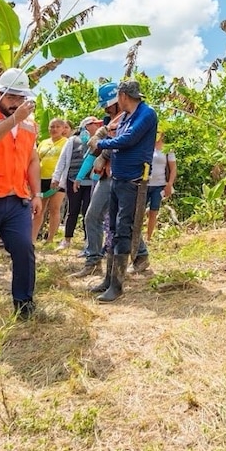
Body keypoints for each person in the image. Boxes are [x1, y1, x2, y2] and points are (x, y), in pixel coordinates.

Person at [89, 79, 157, 303]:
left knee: (124, 229)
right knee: (113, 228)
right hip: (118, 178)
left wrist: (101, 145)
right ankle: (108, 279)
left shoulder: (146, 114)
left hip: (134, 181)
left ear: (124, 96)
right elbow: (117, 137)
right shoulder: (126, 116)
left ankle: (117, 285)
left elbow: (127, 140)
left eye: (118, 96)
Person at [0, 68, 41, 319]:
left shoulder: (30, 127)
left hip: (17, 200)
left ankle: (24, 304)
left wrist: (37, 194)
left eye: (21, 98)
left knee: (24, 249)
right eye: (12, 97)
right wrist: (14, 119)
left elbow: (32, 160)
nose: (17, 103)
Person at [69, 83, 120, 279]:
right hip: (106, 176)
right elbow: (96, 149)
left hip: (122, 174)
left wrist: (104, 152)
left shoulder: (129, 118)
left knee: (122, 221)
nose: (106, 109)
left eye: (108, 104)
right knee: (93, 216)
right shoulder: (109, 120)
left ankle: (140, 256)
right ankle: (93, 261)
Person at [50, 115, 102, 250]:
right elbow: (62, 160)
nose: (96, 126)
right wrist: (56, 177)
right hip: (72, 180)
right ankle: (67, 239)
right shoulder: (73, 140)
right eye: (93, 123)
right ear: (85, 126)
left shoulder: (99, 141)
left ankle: (87, 240)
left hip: (90, 182)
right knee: (72, 210)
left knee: (88, 211)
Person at [33, 116, 68, 243]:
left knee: (54, 208)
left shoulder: (66, 142)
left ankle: (50, 239)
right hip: (41, 179)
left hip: (58, 181)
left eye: (57, 126)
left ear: (63, 128)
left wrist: (60, 179)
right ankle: (33, 237)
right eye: (52, 126)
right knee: (39, 209)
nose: (54, 129)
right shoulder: (43, 142)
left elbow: (67, 162)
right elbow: (36, 160)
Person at [146, 130, 177, 241]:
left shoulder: (167, 149)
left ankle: (148, 238)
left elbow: (173, 168)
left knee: (153, 211)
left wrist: (169, 184)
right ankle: (136, 238)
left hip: (159, 185)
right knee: (138, 212)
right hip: (144, 184)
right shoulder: (145, 145)